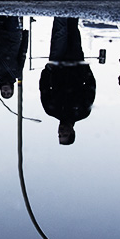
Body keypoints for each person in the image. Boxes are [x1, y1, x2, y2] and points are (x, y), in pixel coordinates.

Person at [38, 17, 96, 145]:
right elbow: (91, 88)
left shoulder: (51, 110)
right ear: (72, 132)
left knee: (60, 33)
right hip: (76, 63)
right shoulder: (82, 112)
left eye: (59, 134)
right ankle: (72, 6)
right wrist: (86, 69)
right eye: (64, 134)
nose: (61, 131)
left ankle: (60, 9)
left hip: (57, 63)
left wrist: (47, 71)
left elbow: (44, 88)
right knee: (73, 31)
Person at [0, 15, 28, 99]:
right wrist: (25, 37)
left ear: (0, 90)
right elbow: (22, 54)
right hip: (14, 39)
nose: (6, 91)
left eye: (4, 92)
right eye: (8, 93)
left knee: (1, 12)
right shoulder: (17, 73)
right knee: (13, 15)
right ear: (12, 89)